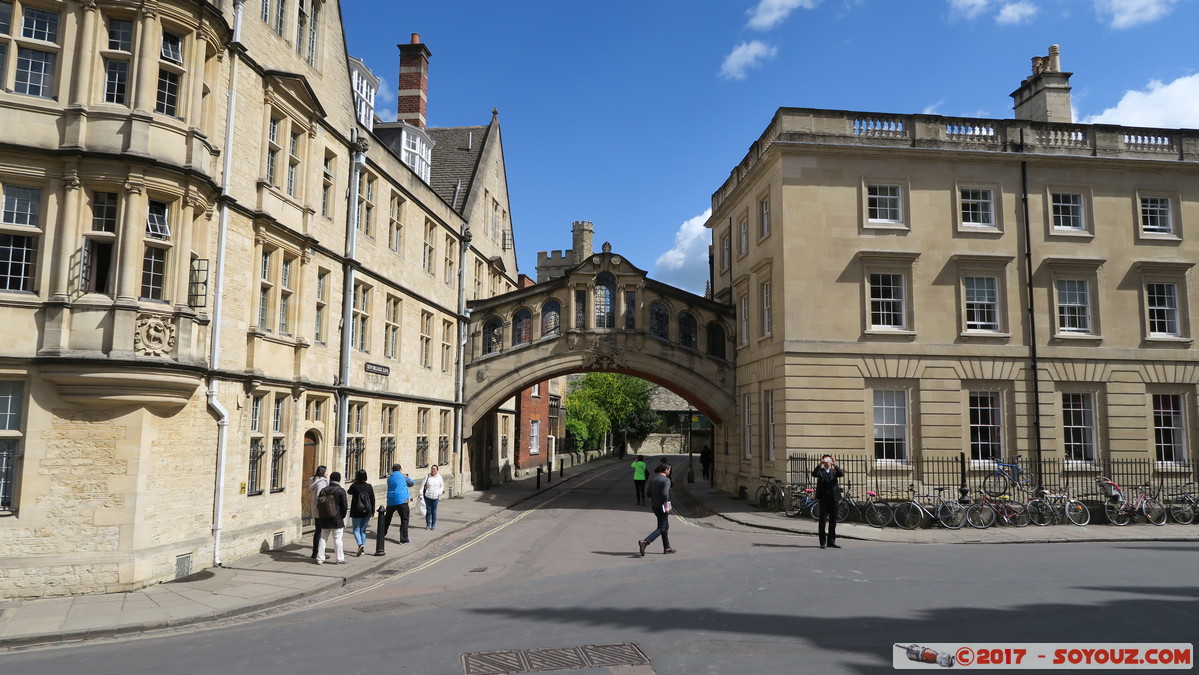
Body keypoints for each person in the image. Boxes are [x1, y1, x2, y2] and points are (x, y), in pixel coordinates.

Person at [638, 463, 677, 556]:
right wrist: (666, 505)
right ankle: (645, 542)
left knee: (665, 527)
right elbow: (665, 494)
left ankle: (667, 547)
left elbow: (648, 493)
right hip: (662, 507)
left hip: (655, 506)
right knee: (661, 528)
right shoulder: (666, 480)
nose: (669, 472)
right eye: (669, 470)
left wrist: (653, 500)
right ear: (666, 470)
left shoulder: (654, 479)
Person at [375, 463, 414, 555]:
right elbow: (412, 483)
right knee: (404, 519)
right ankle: (403, 539)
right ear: (400, 469)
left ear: (392, 470)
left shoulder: (390, 477)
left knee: (387, 518)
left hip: (391, 500)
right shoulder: (403, 476)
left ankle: (382, 535)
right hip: (402, 500)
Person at [811, 454, 844, 549]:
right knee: (822, 521)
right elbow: (814, 474)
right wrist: (819, 464)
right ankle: (822, 542)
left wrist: (835, 464)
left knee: (833, 521)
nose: (827, 462)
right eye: (826, 460)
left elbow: (841, 473)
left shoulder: (834, 471)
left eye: (829, 460)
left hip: (834, 499)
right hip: (824, 499)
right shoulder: (821, 471)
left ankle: (831, 541)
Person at [315, 471, 348, 564]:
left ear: (330, 479)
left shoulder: (324, 490)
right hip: (337, 518)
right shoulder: (340, 491)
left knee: (323, 538)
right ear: (339, 479)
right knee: (337, 539)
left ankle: (320, 558)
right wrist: (342, 516)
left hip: (325, 518)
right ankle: (339, 559)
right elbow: (344, 506)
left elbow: (319, 505)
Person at [346, 468, 375, 557]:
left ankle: (360, 544)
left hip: (356, 510)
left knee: (356, 529)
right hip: (367, 511)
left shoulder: (354, 486)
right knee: (363, 530)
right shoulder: (369, 486)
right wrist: (373, 511)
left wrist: (354, 482)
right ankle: (362, 548)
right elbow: (372, 499)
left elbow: (349, 492)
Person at [307, 465, 328, 559]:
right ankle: (318, 553)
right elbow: (321, 497)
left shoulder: (315, 480)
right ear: (323, 472)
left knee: (318, 531)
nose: (328, 473)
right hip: (321, 510)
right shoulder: (321, 482)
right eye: (326, 471)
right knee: (320, 531)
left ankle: (316, 552)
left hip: (316, 509)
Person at [420, 464, 445, 530]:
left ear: (437, 470)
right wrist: (421, 493)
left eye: (434, 469)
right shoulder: (427, 476)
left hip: (435, 497)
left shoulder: (439, 477)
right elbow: (423, 485)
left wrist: (439, 493)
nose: (433, 470)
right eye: (432, 469)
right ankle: (428, 524)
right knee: (428, 511)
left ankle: (433, 525)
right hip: (427, 496)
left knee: (434, 511)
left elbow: (442, 487)